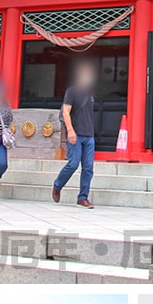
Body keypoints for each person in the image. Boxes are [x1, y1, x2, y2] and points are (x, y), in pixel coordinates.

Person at [52, 59, 97, 208]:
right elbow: (66, 112)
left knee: (88, 168)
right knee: (73, 164)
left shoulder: (90, 93)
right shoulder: (72, 91)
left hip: (89, 135)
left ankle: (83, 197)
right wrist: (70, 131)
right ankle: (58, 185)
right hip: (76, 134)